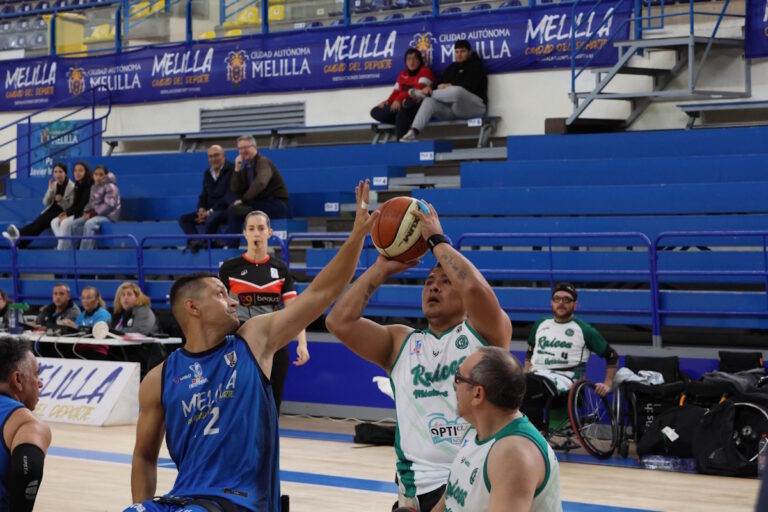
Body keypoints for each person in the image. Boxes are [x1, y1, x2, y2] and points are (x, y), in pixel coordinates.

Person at [125, 181, 377, 512]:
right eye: (220, 293)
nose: (232, 301)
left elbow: (321, 293)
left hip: (241, 502)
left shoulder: (253, 341)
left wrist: (357, 236)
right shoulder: (158, 379)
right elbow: (144, 456)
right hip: (183, 500)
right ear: (193, 308)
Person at [325, 202, 512, 512]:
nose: (434, 287)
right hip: (416, 489)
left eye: (445, 282)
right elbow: (339, 321)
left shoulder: (487, 332)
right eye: (428, 282)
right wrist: (382, 267)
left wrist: (437, 241)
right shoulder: (401, 342)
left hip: (475, 479)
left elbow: (477, 291)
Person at [432, 347, 562, 512]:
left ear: (478, 394)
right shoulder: (475, 431)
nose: (454, 383)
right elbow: (450, 499)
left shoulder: (513, 454)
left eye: (458, 377)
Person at [219, 210, 309, 413]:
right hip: (240, 343)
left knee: (271, 406)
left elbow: (294, 311)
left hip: (274, 342)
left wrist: (302, 343)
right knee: (240, 405)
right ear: (245, 233)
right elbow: (219, 309)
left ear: (270, 232)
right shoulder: (229, 268)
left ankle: (268, 444)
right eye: (251, 229)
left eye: (261, 228)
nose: (256, 233)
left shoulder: (281, 269)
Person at [525, 282, 618, 397]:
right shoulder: (540, 324)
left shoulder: (585, 330)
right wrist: (524, 374)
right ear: (551, 302)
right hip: (535, 376)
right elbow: (530, 353)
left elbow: (612, 356)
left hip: (566, 380)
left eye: (566, 299)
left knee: (539, 387)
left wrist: (607, 384)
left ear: (575, 305)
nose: (561, 303)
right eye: (557, 299)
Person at [400, 40, 488, 142]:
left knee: (456, 91)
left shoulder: (476, 66)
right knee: (429, 102)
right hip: (455, 110)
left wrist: (449, 85)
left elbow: (471, 86)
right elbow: (438, 82)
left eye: (462, 51)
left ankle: (423, 95)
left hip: (476, 106)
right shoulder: (452, 67)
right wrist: (432, 88)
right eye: (457, 52)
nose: (459, 54)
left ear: (469, 52)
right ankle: (413, 132)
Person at [0, 336, 50, 512]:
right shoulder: (26, 422)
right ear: (18, 380)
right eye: (36, 374)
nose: (40, 383)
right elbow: (27, 471)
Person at [226, 135, 289, 248]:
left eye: (246, 147)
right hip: (259, 204)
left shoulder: (263, 162)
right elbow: (235, 189)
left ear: (255, 147)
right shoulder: (247, 168)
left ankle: (231, 249)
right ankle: (231, 248)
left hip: (276, 204)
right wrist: (237, 168)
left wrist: (243, 200)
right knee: (233, 210)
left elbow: (261, 183)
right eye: (240, 148)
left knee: (235, 210)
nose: (243, 151)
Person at [3, 162, 74, 249]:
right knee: (37, 224)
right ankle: (21, 243)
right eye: (55, 172)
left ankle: (19, 234)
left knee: (39, 223)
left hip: (63, 212)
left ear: (65, 173)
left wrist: (62, 200)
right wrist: (51, 190)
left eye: (60, 171)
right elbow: (46, 202)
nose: (57, 174)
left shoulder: (71, 187)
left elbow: (72, 207)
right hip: (50, 210)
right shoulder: (54, 185)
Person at [178, 145, 235, 253]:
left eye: (216, 155)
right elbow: (203, 195)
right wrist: (201, 209)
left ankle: (208, 246)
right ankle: (197, 241)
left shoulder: (232, 170)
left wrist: (210, 212)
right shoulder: (207, 173)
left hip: (225, 210)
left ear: (223, 156)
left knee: (212, 218)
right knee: (184, 219)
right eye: (210, 156)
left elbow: (228, 197)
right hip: (209, 211)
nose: (213, 159)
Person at [370, 48, 435, 141]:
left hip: (417, 107)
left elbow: (417, 90)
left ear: (419, 61)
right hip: (401, 107)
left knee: (402, 112)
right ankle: (400, 122)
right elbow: (396, 92)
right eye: (409, 59)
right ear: (406, 61)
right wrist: (387, 102)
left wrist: (399, 100)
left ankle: (400, 142)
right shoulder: (402, 74)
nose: (412, 62)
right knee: (375, 111)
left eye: (415, 59)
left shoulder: (426, 72)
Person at [71, 165, 121, 250]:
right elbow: (92, 203)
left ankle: (85, 253)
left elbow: (109, 205)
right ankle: (77, 250)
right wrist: (86, 211)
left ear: (106, 175)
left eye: (101, 175)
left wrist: (92, 214)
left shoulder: (111, 187)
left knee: (89, 223)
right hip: (96, 215)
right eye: (96, 174)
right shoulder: (94, 187)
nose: (98, 177)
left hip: (108, 216)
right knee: (75, 224)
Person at [49, 161, 93, 251]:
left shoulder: (88, 186)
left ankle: (60, 249)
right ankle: (63, 245)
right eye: (75, 171)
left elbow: (82, 205)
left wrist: (67, 214)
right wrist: (65, 213)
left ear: (86, 172)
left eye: (80, 171)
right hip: (75, 212)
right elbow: (74, 204)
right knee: (54, 221)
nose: (77, 173)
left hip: (83, 214)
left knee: (64, 223)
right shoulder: (77, 185)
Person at [60, 286, 112, 360]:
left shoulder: (103, 314)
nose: (85, 301)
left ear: (97, 299)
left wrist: (76, 327)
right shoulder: (81, 315)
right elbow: (76, 333)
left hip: (98, 350)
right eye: (83, 298)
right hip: (80, 349)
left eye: (89, 298)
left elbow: (96, 334)